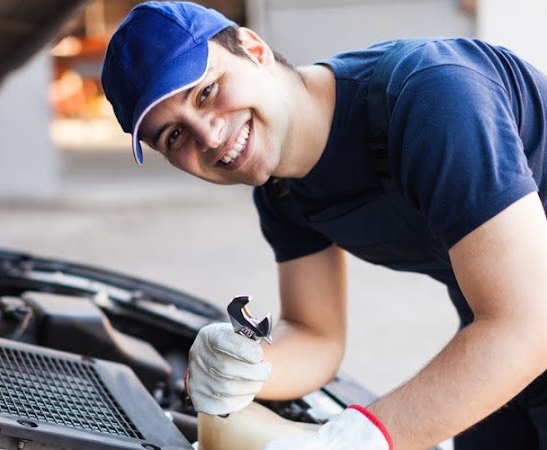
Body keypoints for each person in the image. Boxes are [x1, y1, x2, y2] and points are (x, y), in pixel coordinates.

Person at [100, 1, 547, 450]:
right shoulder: (282, 191)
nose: (210, 137)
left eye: (206, 92)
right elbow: (317, 336)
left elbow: (527, 325)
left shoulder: (431, 98)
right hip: (509, 356)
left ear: (253, 48)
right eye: (173, 136)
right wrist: (246, 366)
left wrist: (350, 439)